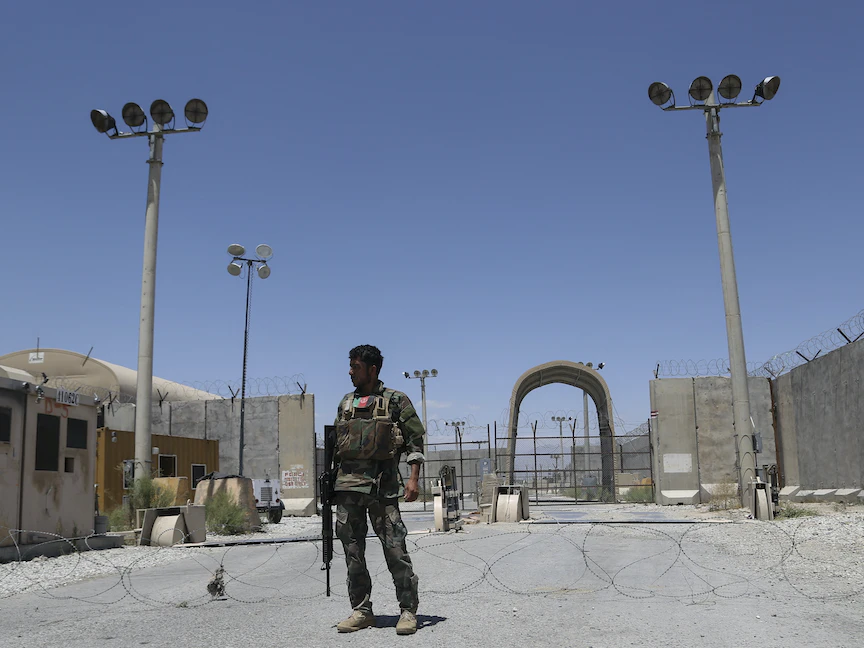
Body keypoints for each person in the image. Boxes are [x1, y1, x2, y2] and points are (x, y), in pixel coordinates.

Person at [332, 344, 425, 635]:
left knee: (395, 551)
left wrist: (413, 479)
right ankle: (362, 611)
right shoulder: (346, 403)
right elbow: (337, 447)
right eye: (351, 366)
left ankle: (408, 610)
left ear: (372, 370)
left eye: (356, 367)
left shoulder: (396, 400)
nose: (350, 372)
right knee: (353, 553)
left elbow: (415, 442)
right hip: (349, 489)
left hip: (383, 490)